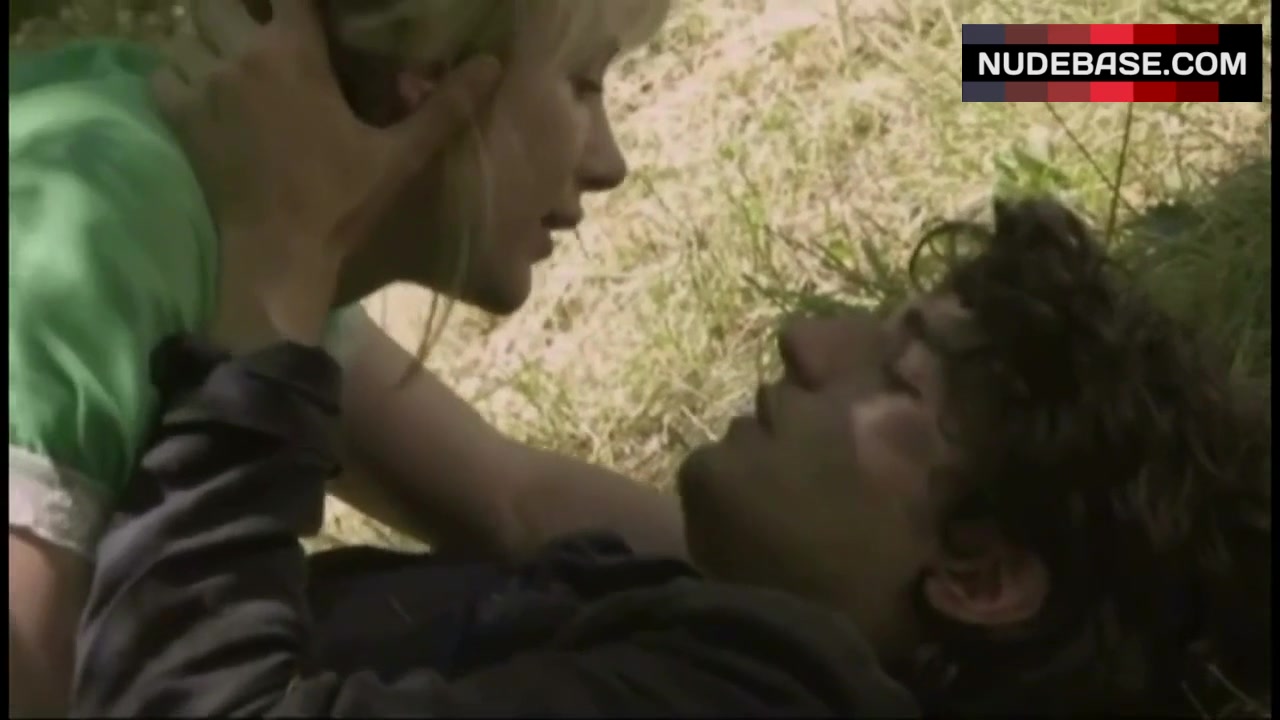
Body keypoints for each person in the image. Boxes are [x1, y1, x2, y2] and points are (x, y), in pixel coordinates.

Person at [73, 195, 1271, 716]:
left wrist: (267, 274)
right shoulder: (787, 619)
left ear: (979, 576)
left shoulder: (755, 701)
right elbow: (506, 494)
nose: (807, 340)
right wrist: (269, 222)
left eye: (897, 377)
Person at [9, 0, 682, 714]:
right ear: (430, 73)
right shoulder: (104, 229)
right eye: (583, 83)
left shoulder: (236, 208)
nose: (609, 163)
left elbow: (511, 504)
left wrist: (768, 587)